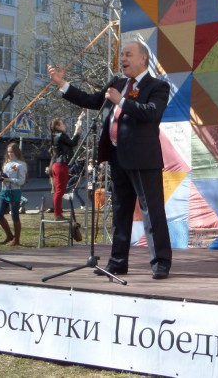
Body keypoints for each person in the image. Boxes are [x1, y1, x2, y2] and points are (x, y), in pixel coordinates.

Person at [48, 40, 172, 279]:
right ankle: (117, 262)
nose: (123, 59)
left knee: (152, 212)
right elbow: (93, 101)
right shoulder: (118, 83)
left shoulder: (157, 86)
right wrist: (63, 84)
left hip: (144, 160)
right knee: (120, 212)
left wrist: (121, 101)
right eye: (121, 54)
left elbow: (151, 113)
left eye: (128, 54)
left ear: (143, 59)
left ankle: (160, 263)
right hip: (117, 157)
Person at [49, 114, 83, 220]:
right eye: (62, 124)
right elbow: (73, 143)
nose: (64, 125)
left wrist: (78, 124)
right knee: (60, 190)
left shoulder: (57, 136)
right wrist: (78, 133)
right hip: (61, 165)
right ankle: (58, 214)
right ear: (57, 126)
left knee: (60, 190)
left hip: (57, 164)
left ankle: (58, 213)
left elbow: (69, 142)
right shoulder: (61, 136)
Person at [0, 142, 27, 246]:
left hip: (14, 191)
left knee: (15, 216)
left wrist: (8, 179)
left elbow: (21, 181)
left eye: (12, 152)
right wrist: (0, 175)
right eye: (8, 152)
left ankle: (16, 239)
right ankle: (9, 235)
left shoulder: (20, 164)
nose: (10, 154)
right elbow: (5, 175)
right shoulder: (6, 163)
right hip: (4, 191)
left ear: (17, 152)